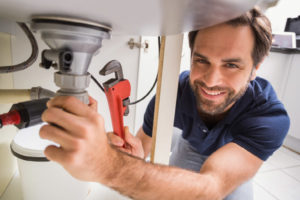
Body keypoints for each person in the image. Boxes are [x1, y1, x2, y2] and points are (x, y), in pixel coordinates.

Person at [39, 7, 290, 200]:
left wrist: (107, 166)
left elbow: (211, 187)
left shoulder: (269, 118)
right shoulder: (177, 92)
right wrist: (131, 156)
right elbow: (142, 146)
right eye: (201, 60)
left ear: (256, 68)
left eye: (232, 65)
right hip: (190, 146)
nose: (211, 81)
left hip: (236, 159)